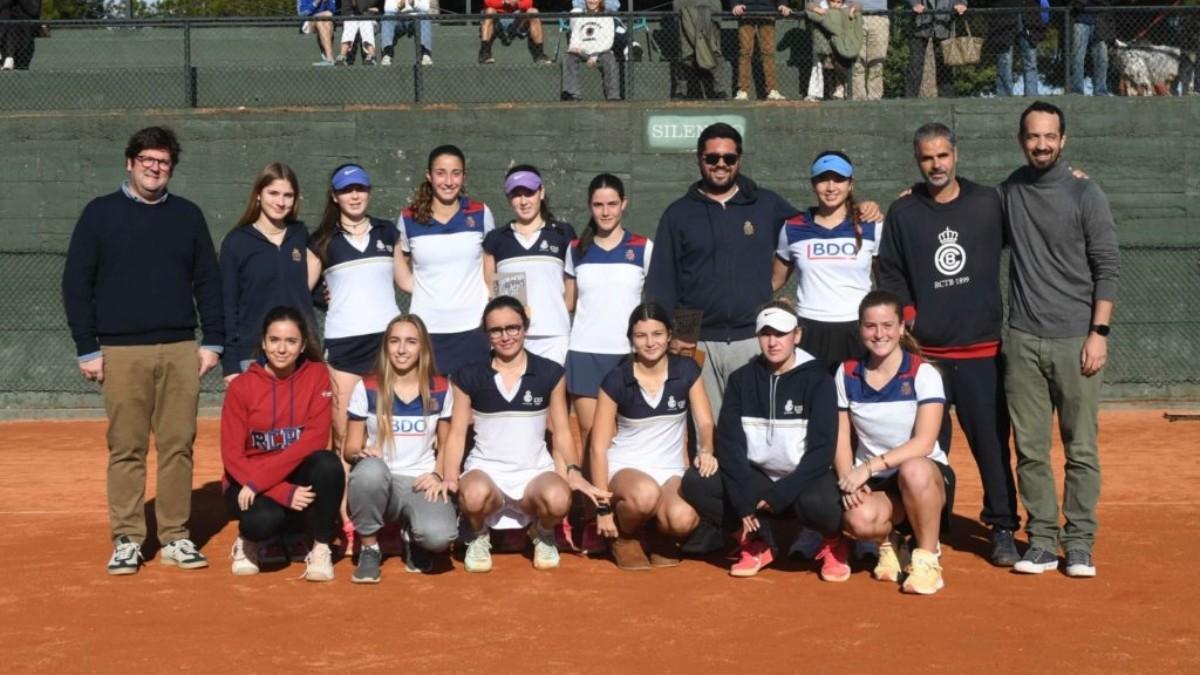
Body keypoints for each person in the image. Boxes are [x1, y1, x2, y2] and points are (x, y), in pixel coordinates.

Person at [62, 126, 224, 575]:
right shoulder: (99, 214)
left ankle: (174, 536)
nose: (155, 168)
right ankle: (128, 539)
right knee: (127, 448)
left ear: (171, 169)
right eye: (148, 160)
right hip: (120, 352)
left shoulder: (187, 216)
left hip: (179, 348)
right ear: (130, 162)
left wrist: (211, 341)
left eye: (164, 162)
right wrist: (86, 348)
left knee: (179, 446)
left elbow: (207, 282)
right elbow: (77, 285)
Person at [646, 123, 879, 416]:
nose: (721, 164)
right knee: (705, 426)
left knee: (758, 423)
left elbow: (817, 221)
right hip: (699, 340)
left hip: (751, 338)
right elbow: (664, 280)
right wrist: (678, 335)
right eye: (712, 158)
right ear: (699, 159)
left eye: (729, 158)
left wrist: (861, 207)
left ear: (739, 159)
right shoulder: (678, 213)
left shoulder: (765, 204)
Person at [877, 122, 1021, 566]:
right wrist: (914, 321)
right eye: (926, 158)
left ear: (955, 155)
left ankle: (1001, 528)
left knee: (992, 446)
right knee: (921, 447)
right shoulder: (904, 212)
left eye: (942, 156)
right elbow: (890, 273)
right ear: (916, 161)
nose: (935, 165)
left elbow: (1031, 230)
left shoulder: (988, 203)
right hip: (928, 359)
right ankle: (919, 526)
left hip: (981, 354)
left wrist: (1068, 184)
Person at [1002, 101, 1119, 578]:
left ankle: (1081, 543)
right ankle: (1043, 541)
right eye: (1033, 136)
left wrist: (1099, 334)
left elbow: (1107, 267)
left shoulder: (1086, 194)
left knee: (1081, 448)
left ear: (1063, 139)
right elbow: (961, 212)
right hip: (1023, 340)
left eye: (1050, 136)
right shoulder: (1009, 191)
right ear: (1022, 140)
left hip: (1078, 341)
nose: (1042, 144)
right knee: (1030, 449)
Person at [440, 296, 609, 573]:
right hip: (486, 472)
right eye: (496, 330)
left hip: (534, 474)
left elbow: (563, 430)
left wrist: (573, 470)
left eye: (513, 328)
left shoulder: (550, 373)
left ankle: (542, 532)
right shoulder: (468, 376)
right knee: (471, 495)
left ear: (525, 328)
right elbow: (457, 433)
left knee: (558, 497)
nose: (505, 336)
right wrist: (449, 475)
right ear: (487, 335)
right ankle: (478, 533)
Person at [681, 302, 848, 580]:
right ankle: (756, 541)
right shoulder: (741, 380)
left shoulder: (819, 379)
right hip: (759, 478)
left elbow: (822, 450)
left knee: (823, 505)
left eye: (781, 334)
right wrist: (743, 500)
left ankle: (832, 543)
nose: (773, 342)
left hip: (803, 480)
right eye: (765, 334)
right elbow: (730, 444)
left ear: (797, 335)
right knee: (697, 482)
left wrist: (784, 492)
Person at [836, 290, 954, 595]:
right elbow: (841, 436)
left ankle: (928, 559)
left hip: (924, 476)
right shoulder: (847, 373)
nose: (879, 334)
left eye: (888, 325)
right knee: (857, 520)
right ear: (860, 329)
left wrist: (869, 467)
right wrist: (848, 476)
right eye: (870, 326)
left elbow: (924, 443)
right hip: (877, 482)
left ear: (902, 327)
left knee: (913, 469)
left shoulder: (923, 372)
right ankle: (892, 541)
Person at [589, 302, 715, 570]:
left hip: (669, 470)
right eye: (641, 335)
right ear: (631, 340)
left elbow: (704, 421)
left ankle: (659, 536)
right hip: (627, 468)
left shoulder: (687, 371)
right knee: (644, 495)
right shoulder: (616, 379)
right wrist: (603, 509)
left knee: (682, 519)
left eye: (657, 334)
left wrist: (706, 448)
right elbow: (598, 448)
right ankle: (625, 537)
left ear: (669, 335)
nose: (650, 342)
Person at [222, 306, 343, 581]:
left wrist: (281, 486)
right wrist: (280, 491)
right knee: (261, 521)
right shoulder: (242, 386)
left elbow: (314, 438)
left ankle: (321, 548)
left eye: (291, 341)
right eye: (274, 340)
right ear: (263, 343)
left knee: (327, 464)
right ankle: (250, 541)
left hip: (286, 476)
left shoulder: (317, 375)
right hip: (247, 480)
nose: (281, 348)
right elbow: (232, 457)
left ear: (302, 346)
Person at [343, 314, 458, 582]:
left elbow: (447, 444)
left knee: (440, 537)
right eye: (394, 341)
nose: (402, 349)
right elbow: (349, 448)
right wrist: (361, 453)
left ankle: (412, 535)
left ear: (423, 348)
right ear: (386, 346)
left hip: (421, 481)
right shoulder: (367, 386)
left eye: (411, 342)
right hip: (381, 481)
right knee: (369, 472)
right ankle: (370, 547)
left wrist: (439, 474)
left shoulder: (440, 388)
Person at [308, 163, 401, 454]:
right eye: (347, 190)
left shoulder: (388, 232)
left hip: (388, 342)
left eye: (360, 188)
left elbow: (409, 280)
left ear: (369, 192)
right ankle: (343, 501)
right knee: (344, 436)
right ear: (335, 196)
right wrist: (319, 297)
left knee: (390, 430)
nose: (355, 195)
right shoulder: (322, 240)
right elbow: (300, 288)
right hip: (344, 344)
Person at [565, 173, 652, 479]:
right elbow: (568, 303)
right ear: (590, 206)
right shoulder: (576, 249)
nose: (605, 211)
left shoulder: (643, 247)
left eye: (612, 204)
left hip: (627, 357)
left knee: (620, 437)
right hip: (585, 354)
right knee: (592, 436)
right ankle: (591, 512)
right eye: (598, 204)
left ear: (623, 204)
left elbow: (653, 305)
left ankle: (618, 507)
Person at [772, 151, 881, 373]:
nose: (831, 187)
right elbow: (774, 281)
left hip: (857, 329)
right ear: (813, 184)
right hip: (809, 330)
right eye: (823, 179)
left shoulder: (872, 225)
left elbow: (887, 280)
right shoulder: (793, 227)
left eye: (839, 179)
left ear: (850, 184)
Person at [396, 145, 495, 377]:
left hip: (475, 328)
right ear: (429, 176)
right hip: (427, 330)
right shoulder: (408, 218)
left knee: (472, 406)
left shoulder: (480, 213)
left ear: (464, 176)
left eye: (456, 173)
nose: (449, 181)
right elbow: (400, 270)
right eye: (441, 173)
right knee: (433, 408)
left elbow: (493, 266)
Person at [219, 162, 319, 382]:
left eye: (288, 195)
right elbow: (228, 306)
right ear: (258, 194)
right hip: (253, 356)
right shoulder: (236, 242)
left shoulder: (300, 234)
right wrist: (230, 363)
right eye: (273, 193)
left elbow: (306, 284)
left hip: (301, 355)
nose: (280, 202)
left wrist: (322, 292)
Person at [484, 165, 575, 365]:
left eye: (530, 193)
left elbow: (571, 293)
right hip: (512, 339)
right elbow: (493, 292)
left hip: (555, 337)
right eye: (516, 195)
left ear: (541, 192)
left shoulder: (563, 234)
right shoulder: (497, 239)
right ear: (508, 199)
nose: (524, 201)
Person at [731, 0, 792, 101]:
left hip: (767, 11)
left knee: (768, 52)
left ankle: (772, 90)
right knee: (745, 52)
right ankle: (742, 90)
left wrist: (783, 4)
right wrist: (735, 4)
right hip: (746, 12)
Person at [561, 0, 621, 102]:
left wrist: (594, 55)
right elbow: (575, 35)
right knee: (568, 58)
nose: (591, 1)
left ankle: (613, 96)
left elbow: (608, 40)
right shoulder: (580, 16)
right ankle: (571, 93)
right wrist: (574, 47)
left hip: (600, 51)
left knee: (610, 60)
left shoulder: (606, 16)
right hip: (583, 51)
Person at [906, 0, 967, 99]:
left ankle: (947, 103)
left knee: (945, 66)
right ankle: (909, 102)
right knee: (915, 64)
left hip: (944, 24)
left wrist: (960, 4)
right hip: (920, 23)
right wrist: (915, 4)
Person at [806, 0, 864, 101]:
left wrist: (852, 10)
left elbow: (858, 5)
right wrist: (817, 9)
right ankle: (815, 94)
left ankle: (841, 92)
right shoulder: (822, 4)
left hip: (840, 44)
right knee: (818, 66)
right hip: (823, 44)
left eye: (839, 2)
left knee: (840, 68)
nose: (836, 4)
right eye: (833, 1)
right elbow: (809, 6)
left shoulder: (845, 8)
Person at [993, 0, 1048, 97]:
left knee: (1030, 60)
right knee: (1005, 60)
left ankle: (1031, 95)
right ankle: (1004, 96)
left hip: (1029, 17)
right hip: (1005, 16)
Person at [478, 0, 553, 65]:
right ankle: (485, 53)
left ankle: (539, 55)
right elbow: (488, 2)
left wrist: (517, 3)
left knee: (533, 11)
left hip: (518, 20)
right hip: (497, 19)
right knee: (489, 11)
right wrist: (504, 2)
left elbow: (529, 3)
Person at [1069, 0, 1110, 96]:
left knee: (1102, 58)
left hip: (1100, 21)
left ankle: (1100, 90)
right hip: (1080, 20)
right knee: (1077, 57)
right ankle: (1077, 90)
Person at [851, 0, 889, 100]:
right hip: (855, 16)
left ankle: (875, 99)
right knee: (857, 63)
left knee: (877, 63)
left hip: (879, 17)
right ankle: (858, 100)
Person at [379, 0, 434, 66]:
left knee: (424, 16)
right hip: (398, 20)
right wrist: (399, 6)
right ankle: (387, 53)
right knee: (387, 16)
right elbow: (387, 8)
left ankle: (425, 54)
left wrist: (413, 3)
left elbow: (426, 8)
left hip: (416, 20)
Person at [337, 0, 383, 66]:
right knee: (350, 22)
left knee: (365, 22)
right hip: (354, 20)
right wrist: (368, 10)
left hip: (371, 20)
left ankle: (371, 56)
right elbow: (345, 12)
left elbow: (380, 10)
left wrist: (359, 7)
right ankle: (342, 56)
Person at [0, 0, 39, 70]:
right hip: (6, 42)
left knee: (21, 69)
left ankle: (9, 58)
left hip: (25, 39)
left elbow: (34, 10)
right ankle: (9, 57)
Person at [298, 0, 338, 66]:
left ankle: (329, 58)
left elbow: (332, 11)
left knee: (324, 21)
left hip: (324, 22)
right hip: (309, 23)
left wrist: (326, 3)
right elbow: (301, 14)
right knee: (320, 19)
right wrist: (316, 2)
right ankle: (330, 58)